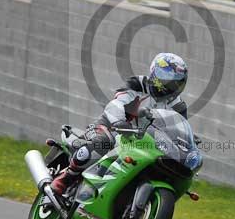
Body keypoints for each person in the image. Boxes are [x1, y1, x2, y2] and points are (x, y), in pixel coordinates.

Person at [50, 53, 189, 196]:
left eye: (176, 82)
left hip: (143, 142)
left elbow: (178, 128)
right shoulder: (138, 84)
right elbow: (117, 103)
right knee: (103, 142)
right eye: (167, 79)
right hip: (113, 128)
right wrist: (120, 121)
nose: (170, 85)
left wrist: (188, 143)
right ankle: (67, 177)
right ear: (156, 74)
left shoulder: (178, 106)